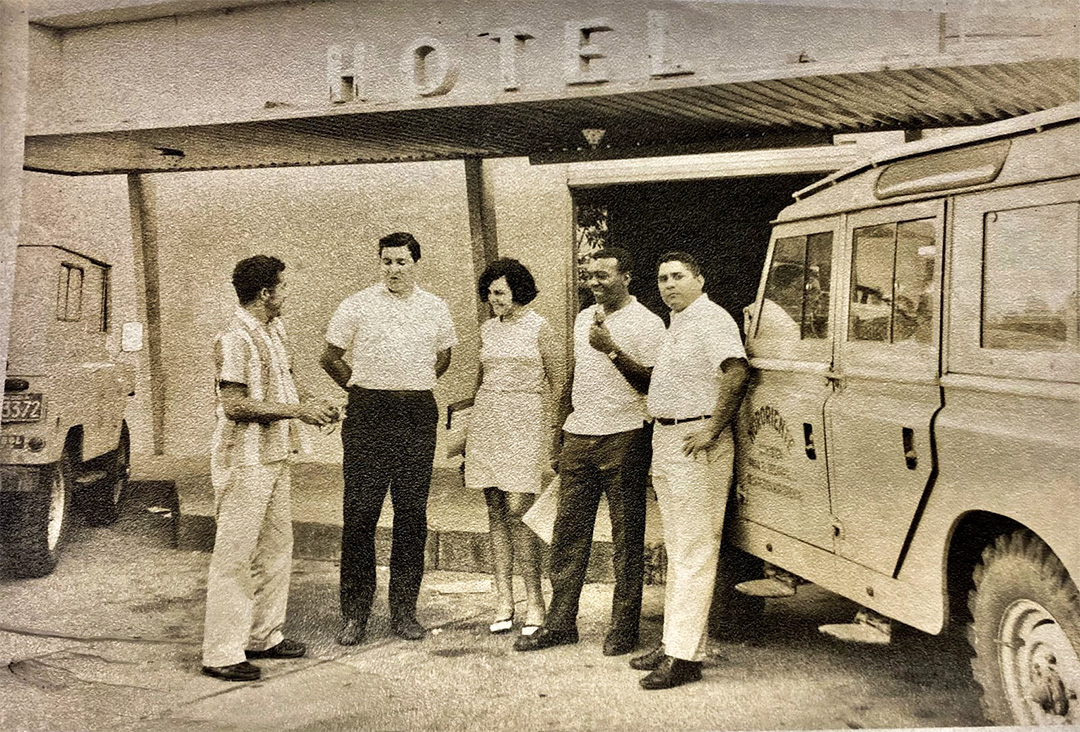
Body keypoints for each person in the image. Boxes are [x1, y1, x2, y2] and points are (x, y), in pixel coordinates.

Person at [514, 247, 665, 657]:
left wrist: (611, 349)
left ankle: (624, 628)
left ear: (627, 277)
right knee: (566, 535)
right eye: (589, 276)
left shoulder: (649, 324)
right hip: (580, 435)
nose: (594, 283)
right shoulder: (584, 318)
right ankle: (561, 624)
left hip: (625, 435)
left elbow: (653, 383)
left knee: (625, 537)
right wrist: (558, 431)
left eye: (603, 276)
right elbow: (574, 377)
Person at [202, 255, 337, 682]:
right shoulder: (235, 338)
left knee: (278, 547)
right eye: (284, 286)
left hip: (274, 456)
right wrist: (300, 411)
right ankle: (222, 652)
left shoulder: (274, 330)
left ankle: (264, 636)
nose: (287, 293)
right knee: (235, 555)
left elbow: (289, 380)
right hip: (243, 461)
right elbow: (235, 405)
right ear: (266, 293)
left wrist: (315, 402)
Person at [320, 232, 457, 645]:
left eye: (401, 262)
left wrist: (414, 381)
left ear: (415, 263)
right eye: (387, 262)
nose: (393, 270)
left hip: (416, 414)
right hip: (368, 415)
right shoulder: (357, 303)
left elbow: (445, 354)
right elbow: (329, 357)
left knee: (411, 515)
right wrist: (362, 389)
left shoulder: (434, 306)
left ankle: (404, 613)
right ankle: (355, 615)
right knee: (360, 515)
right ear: (379, 263)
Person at [630, 250, 750, 690]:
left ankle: (684, 659)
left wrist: (713, 431)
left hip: (696, 440)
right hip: (667, 438)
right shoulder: (678, 322)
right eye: (662, 278)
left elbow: (736, 373)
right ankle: (675, 644)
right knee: (678, 549)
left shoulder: (712, 318)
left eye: (678, 276)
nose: (668, 285)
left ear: (700, 278)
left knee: (694, 552)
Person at [464, 258, 561, 638]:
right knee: (495, 508)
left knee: (520, 508)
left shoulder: (540, 327)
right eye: (489, 293)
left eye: (499, 292)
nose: (493, 300)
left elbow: (558, 382)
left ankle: (535, 600)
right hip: (490, 419)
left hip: (526, 419)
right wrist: (469, 432)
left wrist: (552, 433)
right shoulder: (487, 329)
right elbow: (480, 381)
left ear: (518, 290)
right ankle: (504, 599)